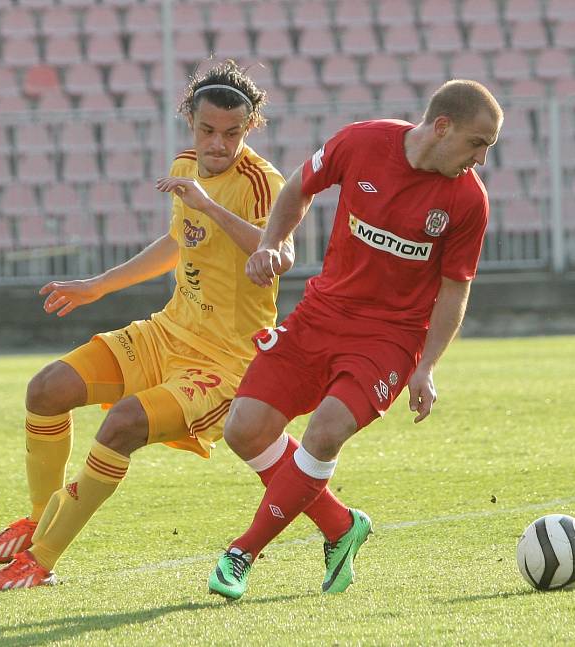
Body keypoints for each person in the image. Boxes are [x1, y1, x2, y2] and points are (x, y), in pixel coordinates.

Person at [0, 60, 296, 590]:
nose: (218, 144)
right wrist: (98, 285)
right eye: (208, 131)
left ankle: (42, 560)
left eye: (232, 133)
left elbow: (278, 254)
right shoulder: (185, 164)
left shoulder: (264, 183)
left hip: (226, 362)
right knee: (47, 389)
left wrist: (212, 208)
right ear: (190, 122)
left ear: (250, 127)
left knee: (121, 423)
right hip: (167, 332)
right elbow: (177, 243)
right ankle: (37, 522)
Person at [207, 80, 503, 600]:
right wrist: (273, 244)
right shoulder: (362, 143)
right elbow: (298, 186)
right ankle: (342, 527)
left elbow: (456, 290)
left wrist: (426, 366)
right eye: (478, 143)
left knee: (324, 433)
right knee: (244, 430)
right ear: (442, 127)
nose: (480, 159)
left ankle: (242, 553)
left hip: (389, 339)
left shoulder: (468, 201)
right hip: (321, 314)